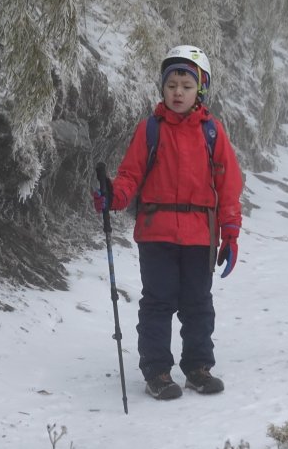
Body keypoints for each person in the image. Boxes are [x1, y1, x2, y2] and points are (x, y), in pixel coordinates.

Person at [93, 45, 244, 400]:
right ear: (162, 88)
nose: (178, 92)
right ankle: (157, 371)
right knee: (158, 301)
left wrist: (231, 234)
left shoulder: (212, 133)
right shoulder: (150, 130)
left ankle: (197, 368)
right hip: (157, 233)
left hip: (199, 235)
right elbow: (130, 175)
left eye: (186, 85)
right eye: (172, 84)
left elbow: (228, 186)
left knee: (197, 303)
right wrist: (113, 197)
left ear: (200, 91)